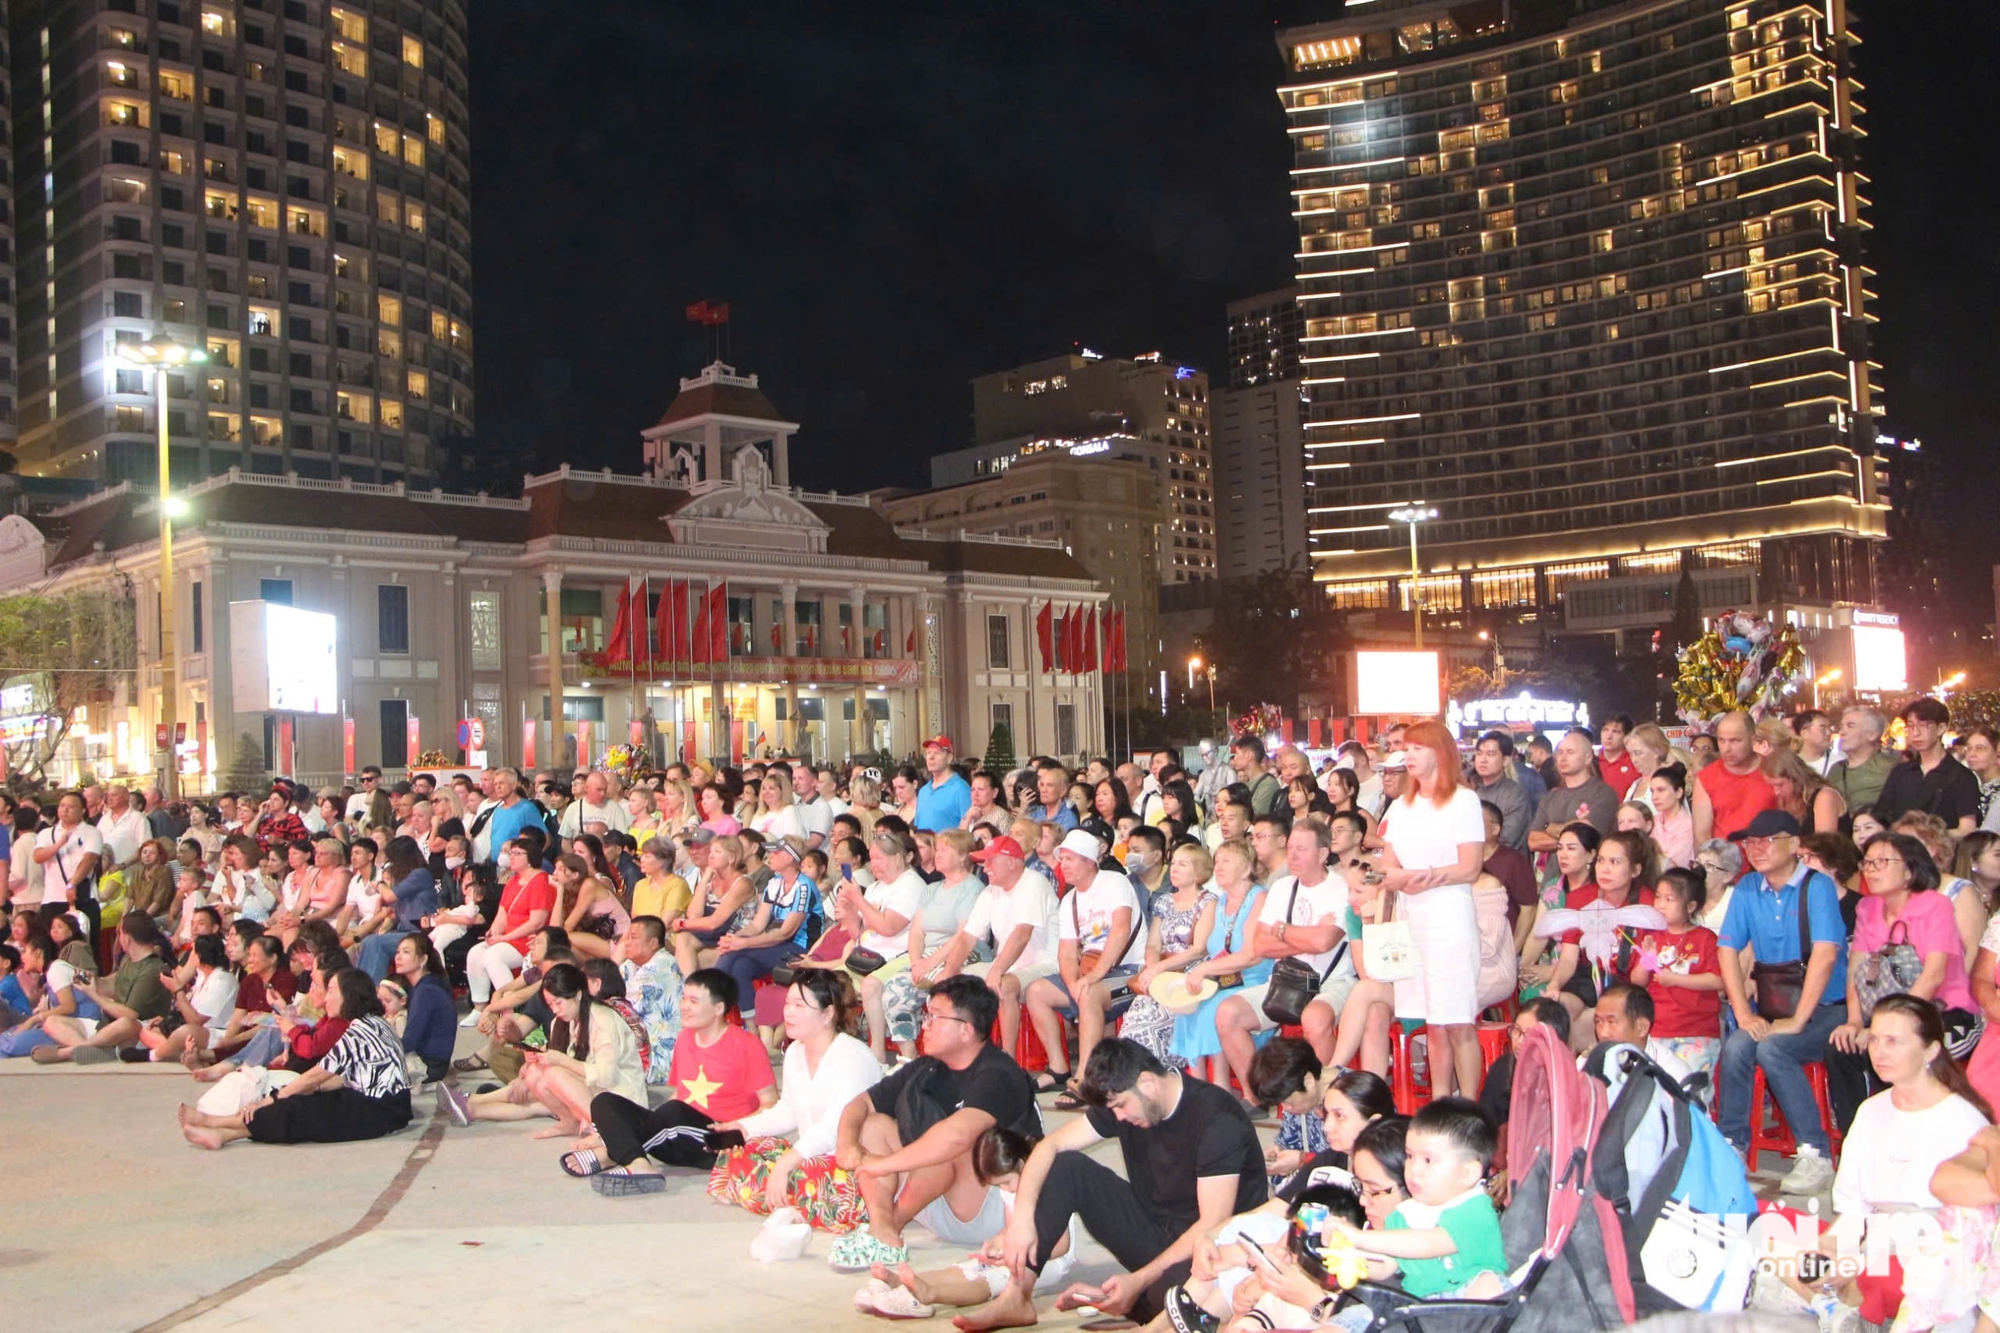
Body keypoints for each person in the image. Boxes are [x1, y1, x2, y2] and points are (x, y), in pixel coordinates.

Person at [1752, 995, 1993, 1330]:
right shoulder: (1871, 1111)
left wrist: (1856, 1261)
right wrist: (1832, 1252)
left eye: (1893, 1041)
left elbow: (1965, 1231)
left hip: (1929, 1256)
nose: (1879, 1051)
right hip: (1871, 1243)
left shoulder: (1965, 1122)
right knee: (1760, 1222)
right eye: (1875, 1038)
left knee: (1874, 1275)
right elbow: (1853, 1211)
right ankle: (1830, 1304)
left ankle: (1832, 1298)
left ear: (1932, 1050)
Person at [990, 1037, 1265, 1327]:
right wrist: (1021, 1220)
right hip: (1158, 1229)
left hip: (1212, 1248)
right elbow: (1049, 1147)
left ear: (1147, 1082)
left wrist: (1138, 1280)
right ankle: (1016, 1296)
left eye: (1121, 1106)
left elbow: (1212, 1223)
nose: (1118, 1117)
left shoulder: (1216, 1118)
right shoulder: (1124, 1099)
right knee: (1065, 1167)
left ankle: (1135, 1301)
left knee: (1169, 1298)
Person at [1715, 808, 1850, 1195]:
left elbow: (1825, 955)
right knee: (1739, 1045)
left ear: (1794, 845)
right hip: (1774, 1007)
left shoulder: (1816, 887)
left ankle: (1815, 1153)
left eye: (1767, 840)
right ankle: (1732, 1145)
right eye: (1750, 842)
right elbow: (1727, 949)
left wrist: (1797, 1021)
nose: (1756, 849)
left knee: (1774, 1048)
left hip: (1825, 1009)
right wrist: (1742, 1013)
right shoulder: (1746, 888)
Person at [1353, 719, 1489, 1099]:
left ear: (1439, 753)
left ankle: (1469, 1106)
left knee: (1458, 1020)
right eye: (1405, 749)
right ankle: (1441, 1099)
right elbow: (1386, 863)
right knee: (1433, 1021)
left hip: (1449, 918)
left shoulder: (1463, 800)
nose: (1408, 755)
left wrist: (1415, 876)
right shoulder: (1402, 805)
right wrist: (1370, 880)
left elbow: (1470, 867)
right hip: (1412, 918)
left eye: (1416, 748)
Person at [567, 968, 776, 1192]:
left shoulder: (747, 1045)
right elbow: (680, 1094)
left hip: (720, 1142)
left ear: (718, 1008)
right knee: (605, 1102)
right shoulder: (685, 1038)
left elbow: (771, 1103)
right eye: (684, 998)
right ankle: (633, 1159)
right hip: (676, 1135)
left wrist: (737, 1127)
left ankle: (613, 1153)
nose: (684, 1006)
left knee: (673, 1111)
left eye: (694, 1001)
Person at [1825, 831, 1981, 1131]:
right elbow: (1857, 969)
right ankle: (1858, 1139)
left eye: (1881, 862)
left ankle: (1909, 1135)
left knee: (1898, 1049)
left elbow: (1934, 974)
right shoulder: (1867, 908)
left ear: (1909, 870)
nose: (1870, 869)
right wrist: (1856, 1021)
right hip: (1882, 1017)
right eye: (1867, 863)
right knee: (1840, 1047)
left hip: (1944, 1013)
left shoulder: (1936, 905)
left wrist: (1883, 1027)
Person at [707, 969, 884, 1231]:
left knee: (804, 1173)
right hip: (809, 1156)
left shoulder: (852, 1056)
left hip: (848, 1162)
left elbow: (837, 1127)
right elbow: (788, 1110)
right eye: (788, 1004)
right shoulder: (795, 1052)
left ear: (827, 1014)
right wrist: (742, 1127)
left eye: (799, 1005)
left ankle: (781, 1193)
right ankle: (789, 1195)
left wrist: (786, 1163)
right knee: (746, 1148)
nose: (788, 1012)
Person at [852, 1126, 1085, 1321]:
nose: (1004, 1190)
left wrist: (1016, 1252)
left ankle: (930, 1293)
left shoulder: (1047, 1182)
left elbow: (1060, 1245)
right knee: (970, 1267)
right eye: (999, 1186)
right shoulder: (1009, 1189)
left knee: (995, 1279)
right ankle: (899, 1282)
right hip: (1019, 1253)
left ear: (1023, 1165)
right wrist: (998, 1243)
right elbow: (1010, 1228)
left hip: (1048, 1261)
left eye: (1006, 1182)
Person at [177, 967, 412, 1149]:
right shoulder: (373, 1022)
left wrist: (271, 1100)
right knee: (299, 1100)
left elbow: (317, 1075)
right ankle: (223, 1135)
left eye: (331, 991)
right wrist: (303, 1092)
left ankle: (215, 1122)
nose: (326, 998)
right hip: (383, 1104)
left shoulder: (360, 1029)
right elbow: (340, 1079)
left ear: (349, 996)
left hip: (381, 1110)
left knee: (295, 1108)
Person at [1211, 822, 1355, 1098]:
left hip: (1332, 981)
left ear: (1323, 853)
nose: (1293, 856)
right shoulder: (1282, 887)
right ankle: (1257, 1096)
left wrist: (1282, 930)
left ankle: (1318, 1101)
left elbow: (1324, 942)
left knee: (1315, 1017)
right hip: (1285, 980)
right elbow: (1261, 944)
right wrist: (1307, 934)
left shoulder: (1340, 888)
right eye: (1290, 848)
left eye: (1302, 849)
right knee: (1228, 1014)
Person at [1023, 829, 1145, 1108]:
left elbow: (1120, 931)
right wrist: (1073, 981)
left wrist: (1092, 977)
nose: (1063, 865)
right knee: (1037, 991)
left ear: (1090, 861)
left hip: (1128, 969)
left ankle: (1084, 1079)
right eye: (1062, 859)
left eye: (1069, 859)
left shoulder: (1114, 882)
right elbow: (1066, 952)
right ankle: (1058, 1067)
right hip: (1091, 971)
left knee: (1089, 993)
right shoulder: (1070, 900)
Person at [873, 829, 984, 1053]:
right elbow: (916, 932)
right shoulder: (932, 889)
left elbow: (963, 935)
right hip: (929, 954)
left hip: (965, 951)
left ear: (963, 856)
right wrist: (916, 962)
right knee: (894, 986)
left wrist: (929, 963)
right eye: (937, 849)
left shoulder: (972, 887)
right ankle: (909, 1057)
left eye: (945, 850)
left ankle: (942, 1051)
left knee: (906, 988)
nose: (938, 854)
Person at [1117, 842, 1220, 1067]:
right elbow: (1153, 944)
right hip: (1163, 970)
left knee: (1157, 1017)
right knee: (1139, 1011)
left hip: (1191, 973)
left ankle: (1156, 1069)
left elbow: (1199, 949)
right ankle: (1133, 1070)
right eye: (1173, 863)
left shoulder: (1208, 902)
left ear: (1199, 871)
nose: (1174, 869)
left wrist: (1158, 970)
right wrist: (1154, 970)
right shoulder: (1164, 901)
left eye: (1183, 864)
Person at [1628, 866, 1724, 1096]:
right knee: (1652, 1091)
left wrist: (1676, 979)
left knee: (1688, 1091)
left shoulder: (1705, 938)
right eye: (1658, 897)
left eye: (1669, 899)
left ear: (1690, 906)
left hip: (1695, 1032)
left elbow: (1718, 980)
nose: (1660, 904)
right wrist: (1647, 958)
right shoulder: (1653, 936)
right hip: (1657, 1029)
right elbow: (1637, 981)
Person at [29, 912, 172, 1063]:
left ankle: (69, 1051)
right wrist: (92, 980)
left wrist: (94, 995)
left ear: (127, 939)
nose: (119, 939)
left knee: (125, 1024)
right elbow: (113, 985)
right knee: (52, 1021)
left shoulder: (152, 969)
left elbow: (130, 1015)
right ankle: (94, 1049)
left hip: (138, 1029)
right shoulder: (129, 960)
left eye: (120, 933)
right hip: (108, 1026)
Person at [461, 838, 556, 1026]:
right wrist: (494, 931)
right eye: (510, 853)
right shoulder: (513, 881)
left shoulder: (540, 881)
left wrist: (504, 938)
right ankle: (479, 1007)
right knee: (475, 953)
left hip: (526, 940)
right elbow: (502, 913)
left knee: (493, 956)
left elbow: (536, 922)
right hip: (507, 937)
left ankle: (509, 1010)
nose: (510, 857)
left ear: (531, 858)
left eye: (517, 854)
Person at [713, 833, 814, 997]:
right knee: (740, 966)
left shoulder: (804, 887)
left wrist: (743, 944)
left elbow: (786, 932)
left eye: (776, 853)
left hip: (801, 947)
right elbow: (757, 925)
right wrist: (733, 939)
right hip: (777, 942)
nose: (770, 856)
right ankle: (750, 1021)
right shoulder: (774, 883)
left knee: (734, 953)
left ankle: (712, 1001)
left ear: (789, 858)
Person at [1879, 697, 1981, 834]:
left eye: (1923, 725)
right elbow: (1882, 815)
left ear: (1941, 728)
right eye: (1911, 726)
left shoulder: (1962, 777)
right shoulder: (1900, 772)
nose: (1915, 733)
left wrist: (1929, 839)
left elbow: (1967, 829)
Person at [1527, 729, 1620, 853]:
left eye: (1570, 752)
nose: (1563, 758)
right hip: (1553, 872)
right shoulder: (1550, 797)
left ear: (1587, 758)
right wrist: (1573, 836)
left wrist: (1549, 827)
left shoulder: (1603, 793)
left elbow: (1588, 834)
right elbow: (1533, 841)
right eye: (1560, 752)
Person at [1693, 711, 1778, 846]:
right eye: (1721, 740)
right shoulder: (1706, 777)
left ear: (1753, 740)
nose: (1727, 748)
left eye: (1735, 741)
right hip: (1725, 862)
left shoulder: (1775, 770)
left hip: (1770, 859)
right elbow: (1701, 835)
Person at [393, 932, 454, 1086]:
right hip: (434, 1062)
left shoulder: (426, 991)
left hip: (427, 1066)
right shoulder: (426, 985)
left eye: (406, 952)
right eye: (398, 951)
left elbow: (409, 1041)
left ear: (423, 959)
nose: (398, 957)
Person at [1827, 706, 1897, 816]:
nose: (1842, 732)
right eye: (1841, 726)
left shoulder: (1890, 768)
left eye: (1850, 726)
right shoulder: (1835, 770)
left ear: (1872, 734)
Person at [1468, 731, 1530, 853]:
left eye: (1490, 754)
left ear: (1505, 760)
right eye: (1479, 754)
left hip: (1503, 864)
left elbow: (1508, 838)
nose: (1483, 760)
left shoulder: (1514, 794)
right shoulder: (1470, 790)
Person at [913, 735, 972, 833]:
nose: (931, 757)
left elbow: (969, 827)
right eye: (928, 753)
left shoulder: (961, 789)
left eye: (937, 753)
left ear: (949, 758)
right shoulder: (923, 791)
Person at [1232, 736, 1283, 818]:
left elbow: (1255, 816)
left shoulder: (1268, 785)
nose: (1234, 758)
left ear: (1248, 756)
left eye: (1237, 754)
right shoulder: (1247, 784)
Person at [1596, 715, 1640, 795]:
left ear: (1626, 736)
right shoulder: (1591, 763)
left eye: (1615, 731)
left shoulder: (1635, 762)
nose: (1608, 736)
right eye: (1605, 730)